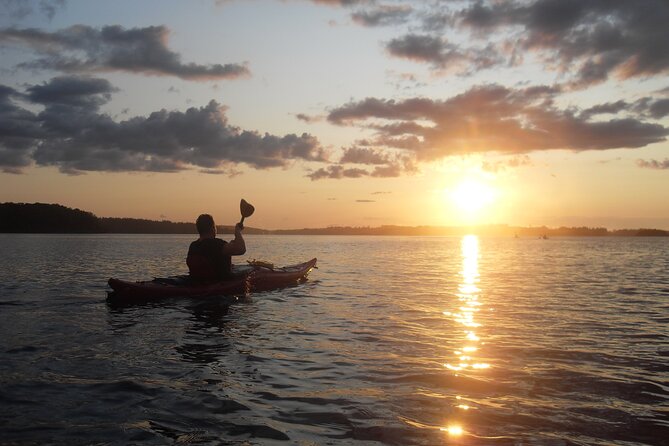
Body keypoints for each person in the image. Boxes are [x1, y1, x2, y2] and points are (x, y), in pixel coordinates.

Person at [187, 213, 246, 282]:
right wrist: (237, 231)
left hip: (197, 282)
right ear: (212, 228)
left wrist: (230, 244)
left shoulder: (193, 245)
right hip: (217, 283)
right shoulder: (217, 244)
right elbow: (241, 249)